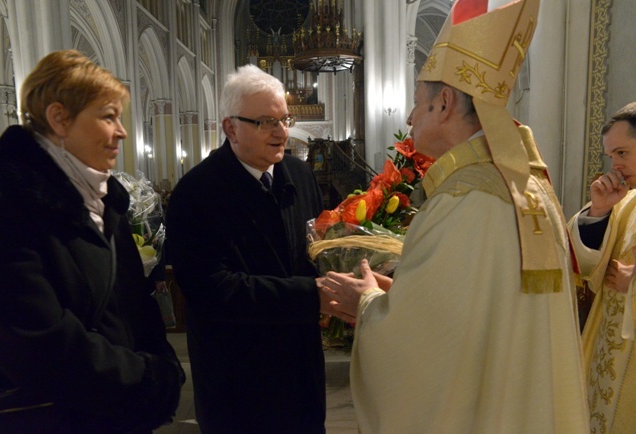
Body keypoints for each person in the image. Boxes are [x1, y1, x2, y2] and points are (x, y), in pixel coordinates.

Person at [320, 0, 589, 432]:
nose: (408, 118)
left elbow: (425, 350)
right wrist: (406, 290)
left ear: (443, 103)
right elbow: (481, 312)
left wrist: (368, 303)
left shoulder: (465, 198)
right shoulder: (527, 188)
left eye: (415, 103)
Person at [0, 50, 184, 433]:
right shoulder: (3, 204)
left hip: (115, 413)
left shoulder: (105, 203)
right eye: (108, 117)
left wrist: (163, 365)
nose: (122, 132)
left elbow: (133, 306)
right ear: (60, 118)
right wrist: (146, 380)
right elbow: (39, 344)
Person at [167, 64, 341, 433]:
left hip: (301, 373)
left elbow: (312, 252)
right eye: (265, 122)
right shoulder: (196, 193)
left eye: (284, 119)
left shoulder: (300, 175)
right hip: (239, 382)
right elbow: (211, 290)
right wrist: (312, 295)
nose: (282, 133)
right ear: (230, 127)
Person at [569, 102, 636, 433]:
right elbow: (580, 264)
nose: (616, 167)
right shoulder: (624, 200)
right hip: (606, 356)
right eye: (611, 157)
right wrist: (598, 211)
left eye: (622, 153)